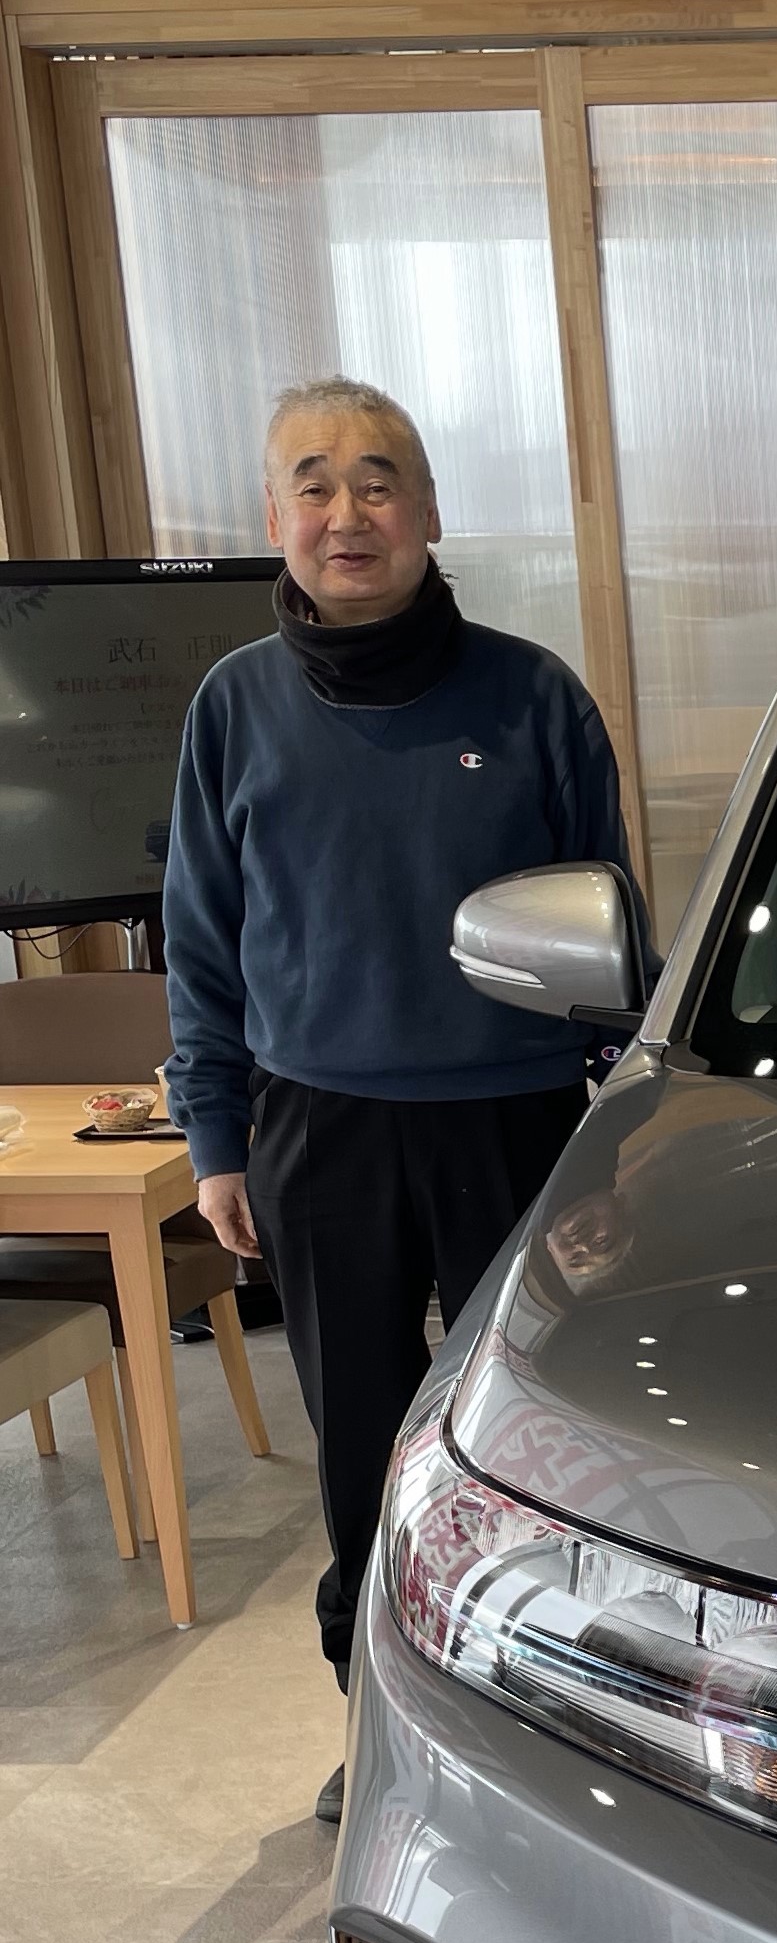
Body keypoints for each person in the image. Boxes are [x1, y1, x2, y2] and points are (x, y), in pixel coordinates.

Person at [164, 378, 632, 1823]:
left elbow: (614, 945)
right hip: (321, 1132)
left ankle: (552, 1723)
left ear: (427, 512)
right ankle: (379, 1715)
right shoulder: (234, 705)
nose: (346, 510)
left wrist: (619, 1153)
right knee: (362, 1443)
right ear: (274, 517)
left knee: (537, 1443)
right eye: (312, 481)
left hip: (518, 1123)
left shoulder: (534, 695)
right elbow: (201, 940)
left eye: (378, 481)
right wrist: (215, 1137)